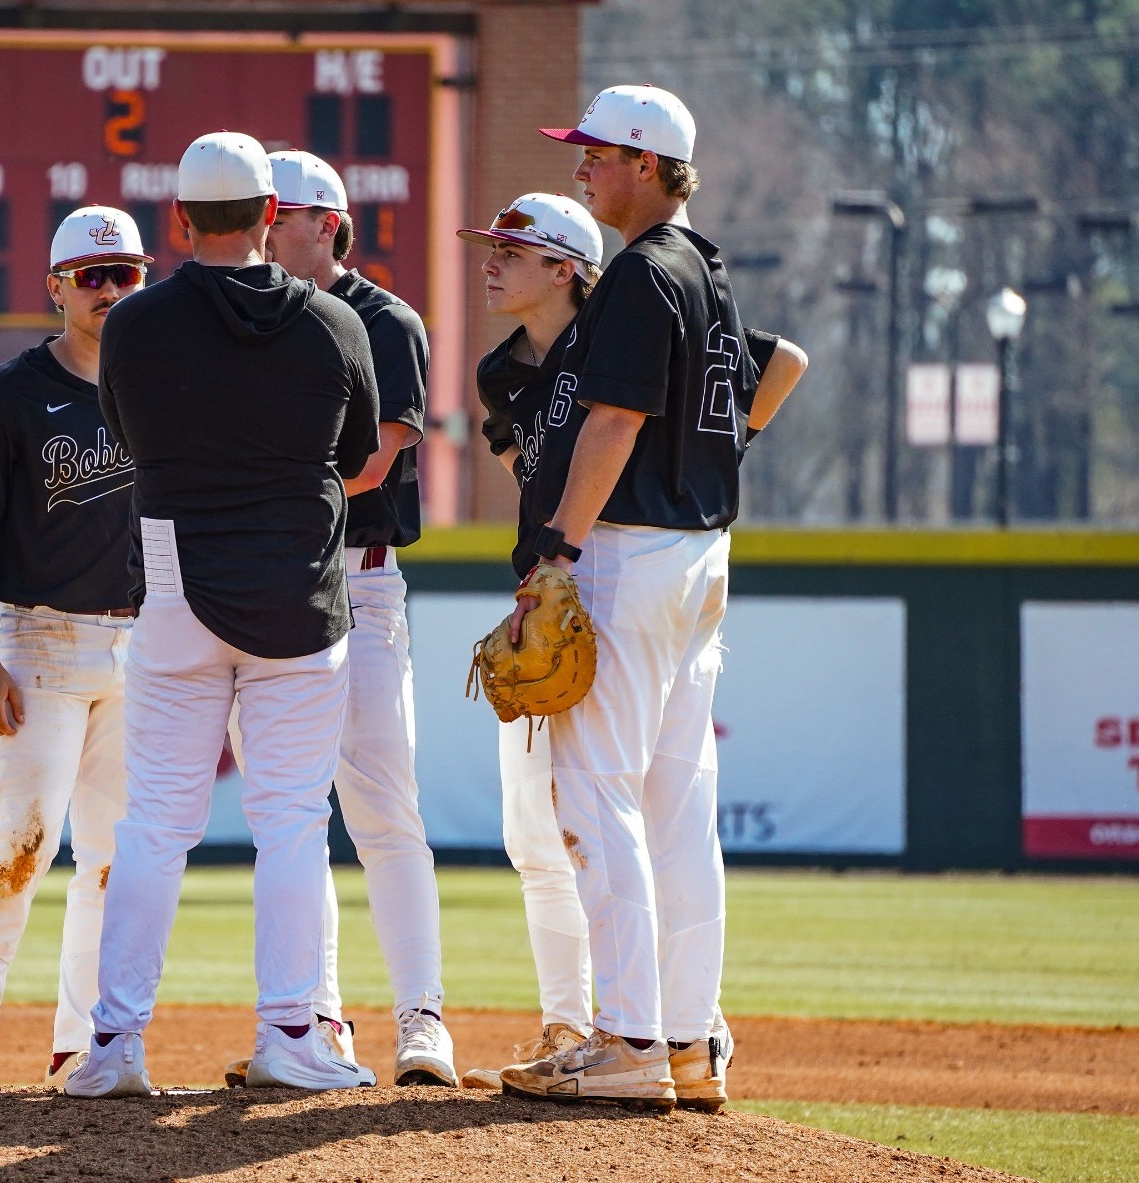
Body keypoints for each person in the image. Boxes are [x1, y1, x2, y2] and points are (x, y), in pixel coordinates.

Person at [64, 131, 380, 1097]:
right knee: (291, 821)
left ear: (179, 220)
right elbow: (359, 449)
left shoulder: (135, 326)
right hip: (300, 591)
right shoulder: (335, 323)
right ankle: (291, 1031)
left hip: (175, 580)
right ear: (272, 217)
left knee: (154, 822)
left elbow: (123, 429)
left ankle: (114, 1044)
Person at [496, 83, 792, 1113]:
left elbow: (613, 422)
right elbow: (768, 373)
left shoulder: (637, 275)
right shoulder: (706, 270)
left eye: (594, 155)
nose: (580, 170)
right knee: (677, 809)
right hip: (701, 552)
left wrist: (553, 550)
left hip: (628, 551)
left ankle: (622, 1037)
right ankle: (688, 1041)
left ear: (645, 164)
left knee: (593, 792)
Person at [225, 148, 452, 1087]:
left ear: (327, 223)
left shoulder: (382, 319)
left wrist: (249, 485)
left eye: (281, 215)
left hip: (357, 581)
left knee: (385, 810)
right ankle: (316, 1018)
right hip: (266, 584)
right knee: (290, 812)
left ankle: (422, 1019)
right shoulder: (247, 318)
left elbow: (376, 462)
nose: (265, 228)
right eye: (261, 214)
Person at [0, 207, 150, 1088]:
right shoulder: (9, 391)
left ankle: (84, 1044)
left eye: (126, 274)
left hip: (141, 645)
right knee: (16, 846)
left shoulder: (163, 387)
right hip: (39, 639)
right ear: (54, 286)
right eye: (91, 275)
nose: (108, 290)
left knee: (113, 859)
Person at [454, 193, 609, 1088]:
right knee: (531, 831)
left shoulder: (612, 344)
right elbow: (523, 465)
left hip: (610, 583)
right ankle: (566, 1025)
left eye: (512, 248)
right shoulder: (499, 372)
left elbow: (775, 364)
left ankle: (665, 1024)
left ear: (565, 269)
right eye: (490, 243)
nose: (491, 258)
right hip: (537, 595)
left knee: (605, 820)